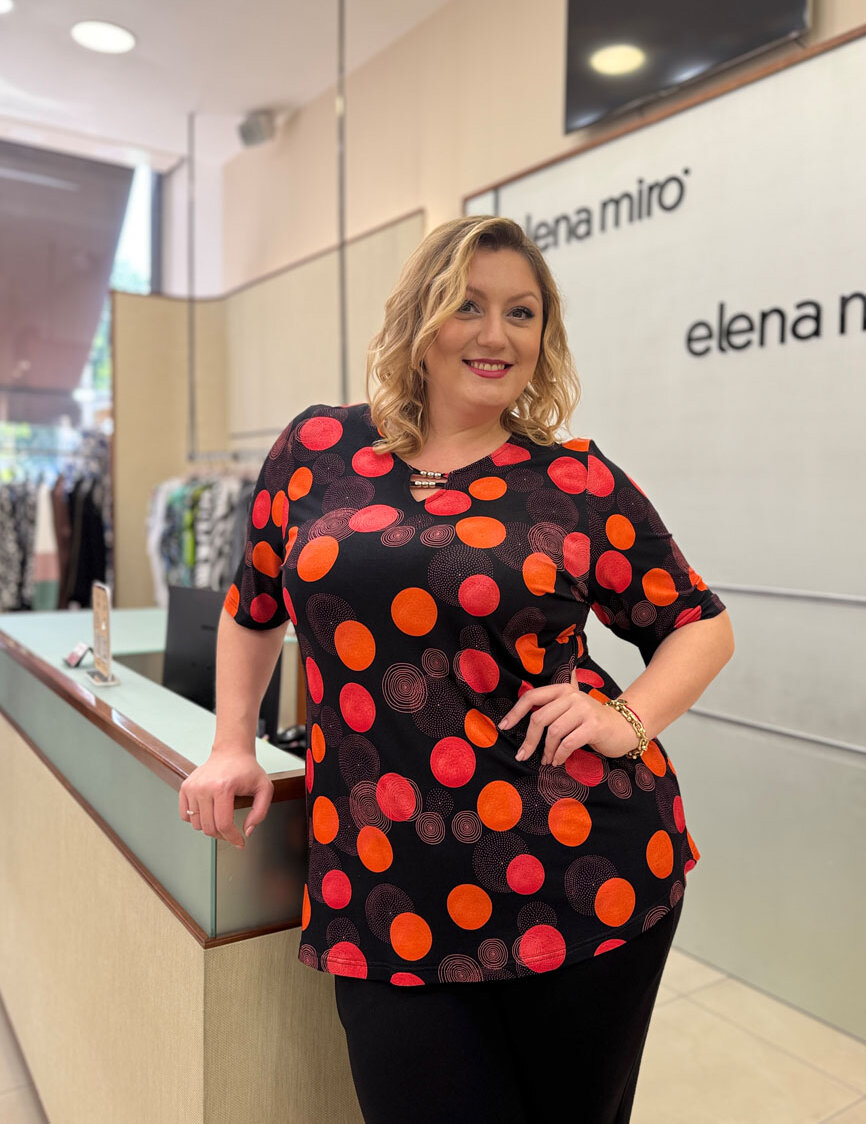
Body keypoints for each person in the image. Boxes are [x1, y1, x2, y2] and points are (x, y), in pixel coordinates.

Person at [180, 215, 735, 1123]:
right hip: (383, 881)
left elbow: (701, 626)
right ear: (420, 318)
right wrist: (230, 744)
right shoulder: (317, 451)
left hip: (575, 868)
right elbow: (254, 607)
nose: (496, 334)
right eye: (468, 306)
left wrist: (624, 719)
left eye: (522, 313)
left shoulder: (575, 483)